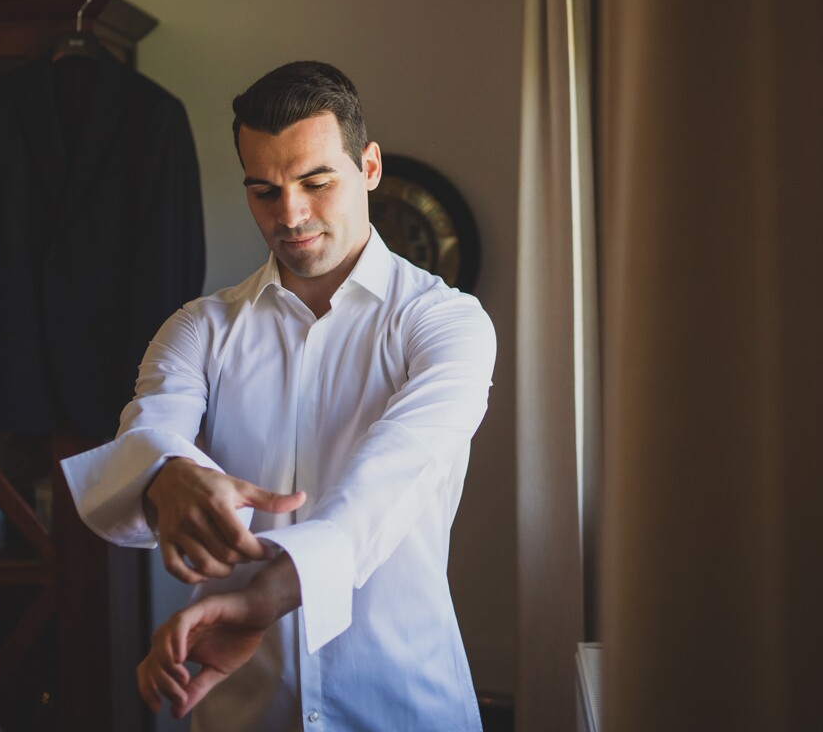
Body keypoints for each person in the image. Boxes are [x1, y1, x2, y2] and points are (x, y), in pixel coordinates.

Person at [60, 61, 497, 731]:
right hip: (239, 714)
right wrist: (164, 477)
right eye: (264, 190)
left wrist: (266, 596)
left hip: (406, 708)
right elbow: (148, 434)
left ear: (370, 167)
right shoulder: (198, 330)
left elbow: (389, 481)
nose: (289, 215)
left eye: (315, 182)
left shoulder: (446, 322)